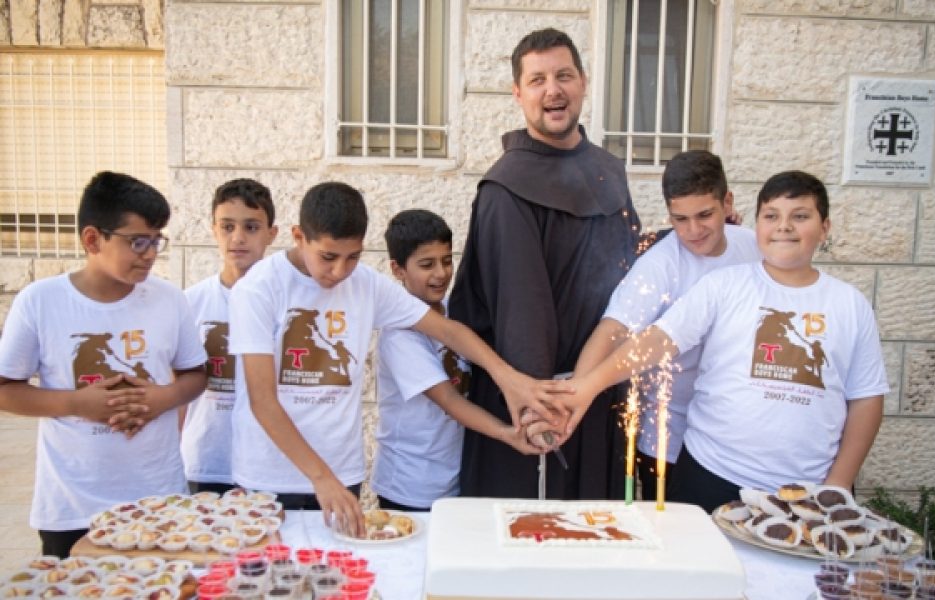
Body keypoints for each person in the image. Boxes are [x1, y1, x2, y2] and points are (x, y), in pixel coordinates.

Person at [533, 171, 887, 512]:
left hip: (809, 485)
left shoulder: (850, 304)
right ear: (758, 224)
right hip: (713, 473)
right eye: (772, 215)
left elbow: (867, 398)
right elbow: (657, 341)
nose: (784, 226)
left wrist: (839, 484)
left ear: (825, 227)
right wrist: (587, 386)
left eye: (800, 216)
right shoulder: (722, 285)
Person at [227, 182, 564, 536]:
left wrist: (507, 376)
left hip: (342, 473)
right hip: (270, 475)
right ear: (299, 237)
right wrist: (320, 478)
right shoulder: (257, 289)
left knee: (340, 582)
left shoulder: (367, 284)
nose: (341, 271)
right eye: (328, 257)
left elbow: (448, 332)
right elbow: (262, 401)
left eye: (353, 256)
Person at [448, 28, 642, 500]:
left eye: (564, 76)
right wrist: (542, 412)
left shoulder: (608, 171)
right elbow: (521, 308)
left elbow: (625, 266)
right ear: (519, 94)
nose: (552, 90)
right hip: (539, 405)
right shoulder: (506, 188)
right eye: (537, 80)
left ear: (583, 82)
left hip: (595, 394)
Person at [0, 171, 208, 557]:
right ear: (92, 239)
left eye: (156, 239)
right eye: (137, 241)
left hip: (158, 501)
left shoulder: (168, 300)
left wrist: (162, 398)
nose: (150, 253)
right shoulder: (41, 302)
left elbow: (196, 375)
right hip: (73, 505)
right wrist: (78, 403)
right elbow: (6, 390)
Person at [572, 150, 760, 500]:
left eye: (705, 215)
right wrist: (575, 395)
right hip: (669, 437)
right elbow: (612, 331)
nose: (693, 230)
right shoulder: (659, 266)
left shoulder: (754, 246)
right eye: (680, 219)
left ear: (727, 202)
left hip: (738, 438)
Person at [372, 209, 541, 512]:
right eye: (427, 264)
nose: (441, 273)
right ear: (397, 269)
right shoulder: (399, 337)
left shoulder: (455, 310)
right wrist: (507, 434)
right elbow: (450, 401)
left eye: (447, 260)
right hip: (411, 485)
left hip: (455, 477)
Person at [180, 178, 279, 494]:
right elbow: (177, 388)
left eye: (251, 227)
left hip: (268, 463)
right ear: (213, 230)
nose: (237, 238)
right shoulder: (189, 303)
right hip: (206, 460)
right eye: (227, 227)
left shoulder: (285, 304)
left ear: (271, 234)